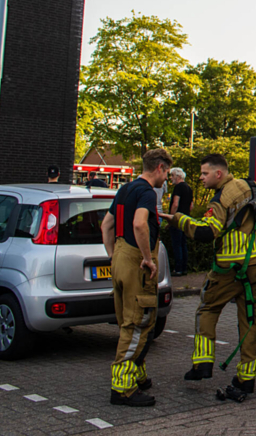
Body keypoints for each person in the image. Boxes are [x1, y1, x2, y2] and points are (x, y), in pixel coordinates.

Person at [160, 153, 256, 400]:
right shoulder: (254, 187)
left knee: (207, 309)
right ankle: (246, 380)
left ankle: (203, 363)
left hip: (227, 270)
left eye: (204, 173)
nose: (201, 178)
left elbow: (207, 233)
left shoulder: (220, 199)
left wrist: (178, 220)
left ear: (219, 174)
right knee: (251, 320)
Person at [99, 148, 172, 407]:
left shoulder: (125, 189)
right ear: (160, 168)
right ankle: (123, 387)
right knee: (138, 322)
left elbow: (106, 225)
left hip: (119, 257)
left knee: (127, 319)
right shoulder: (146, 192)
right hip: (135, 263)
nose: (166, 179)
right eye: (166, 173)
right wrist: (147, 258)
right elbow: (139, 224)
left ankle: (137, 374)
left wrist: (113, 254)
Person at [167, 168, 193, 276]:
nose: (171, 178)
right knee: (183, 244)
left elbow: (175, 204)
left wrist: (172, 219)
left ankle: (178, 269)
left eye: (172, 176)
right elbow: (191, 205)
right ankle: (184, 268)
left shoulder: (178, 187)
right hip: (185, 219)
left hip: (177, 220)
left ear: (178, 176)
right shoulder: (189, 188)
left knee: (176, 244)